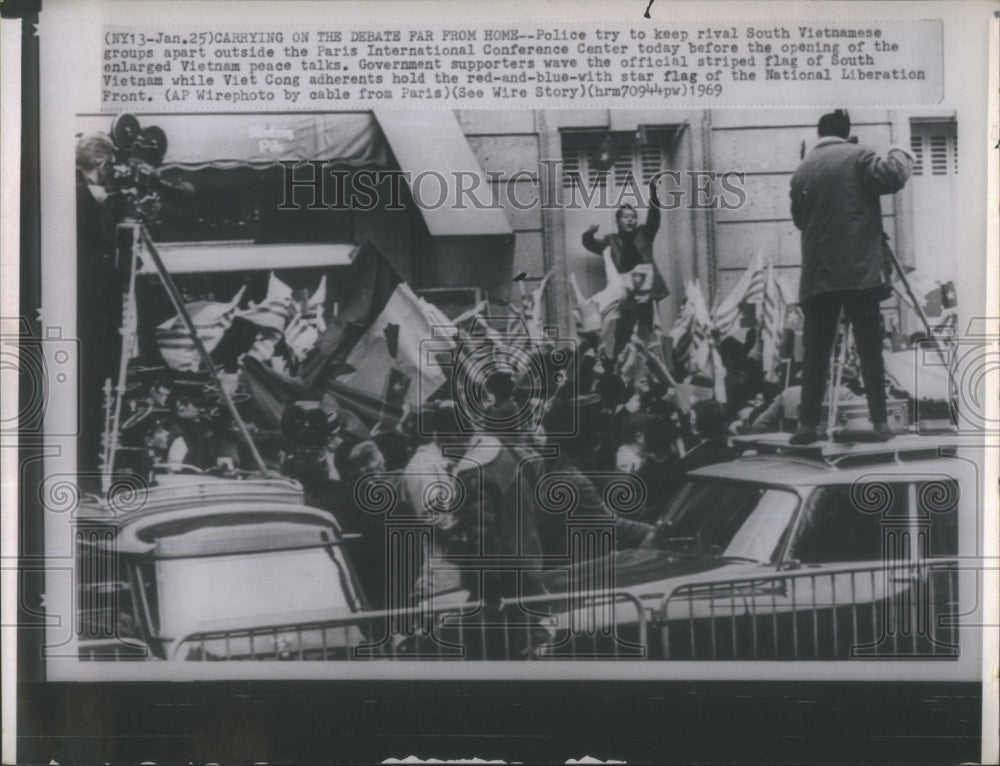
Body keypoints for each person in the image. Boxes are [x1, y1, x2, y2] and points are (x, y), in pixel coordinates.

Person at [789, 109, 914, 444]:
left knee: (816, 353)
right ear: (847, 133)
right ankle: (880, 423)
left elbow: (800, 220)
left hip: (818, 278)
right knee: (870, 349)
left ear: (820, 134)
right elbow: (893, 177)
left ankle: (807, 425)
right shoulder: (859, 156)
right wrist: (899, 148)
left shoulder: (802, 170)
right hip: (860, 275)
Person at [583, 188, 669, 360]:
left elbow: (654, 219)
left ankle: (647, 371)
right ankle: (619, 371)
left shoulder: (645, 234)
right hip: (626, 293)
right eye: (626, 216)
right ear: (618, 221)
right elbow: (592, 245)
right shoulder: (611, 240)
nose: (630, 219)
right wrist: (588, 234)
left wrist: (653, 195)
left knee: (647, 332)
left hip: (646, 292)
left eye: (633, 217)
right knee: (624, 332)